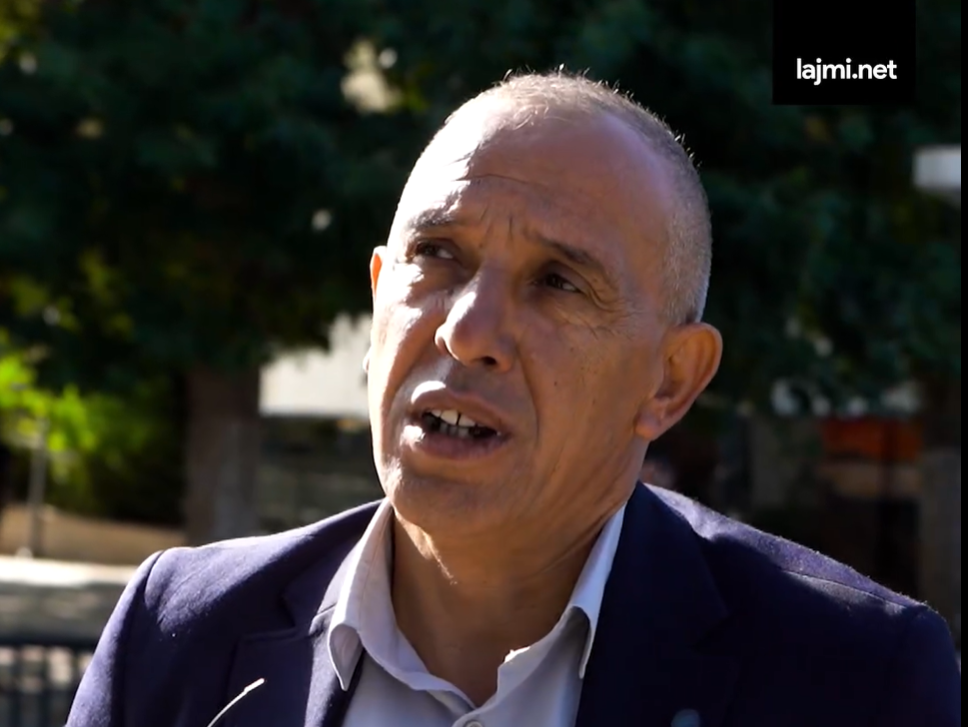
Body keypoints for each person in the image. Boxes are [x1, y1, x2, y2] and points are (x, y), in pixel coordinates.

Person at [68, 72, 959, 727]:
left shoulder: (853, 679)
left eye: (559, 282)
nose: (468, 330)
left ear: (670, 380)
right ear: (378, 295)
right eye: (437, 255)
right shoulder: (178, 633)